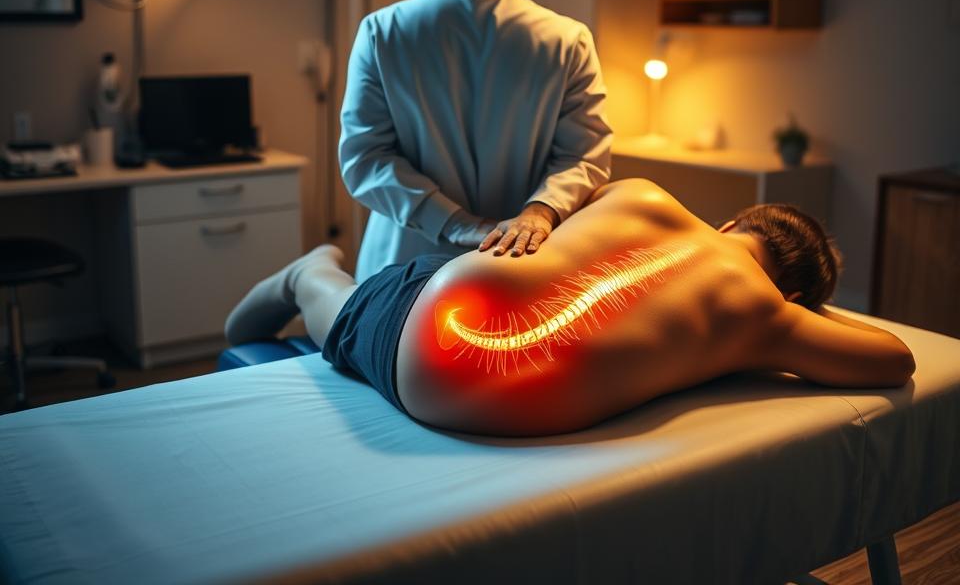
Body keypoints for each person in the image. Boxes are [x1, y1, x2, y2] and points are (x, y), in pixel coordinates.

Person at [225, 178, 916, 437]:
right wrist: (802, 318)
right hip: (439, 366)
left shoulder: (643, 193)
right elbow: (896, 359)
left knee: (365, 307)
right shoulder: (769, 318)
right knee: (331, 296)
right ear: (796, 294)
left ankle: (312, 276)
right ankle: (307, 272)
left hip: (451, 304)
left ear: (734, 224)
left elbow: (568, 225)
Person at [339, 0, 612, 282]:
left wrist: (456, 223)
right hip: (516, 263)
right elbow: (583, 157)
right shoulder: (568, 40)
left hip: (400, 269)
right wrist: (538, 214)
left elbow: (365, 159)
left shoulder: (382, 31)